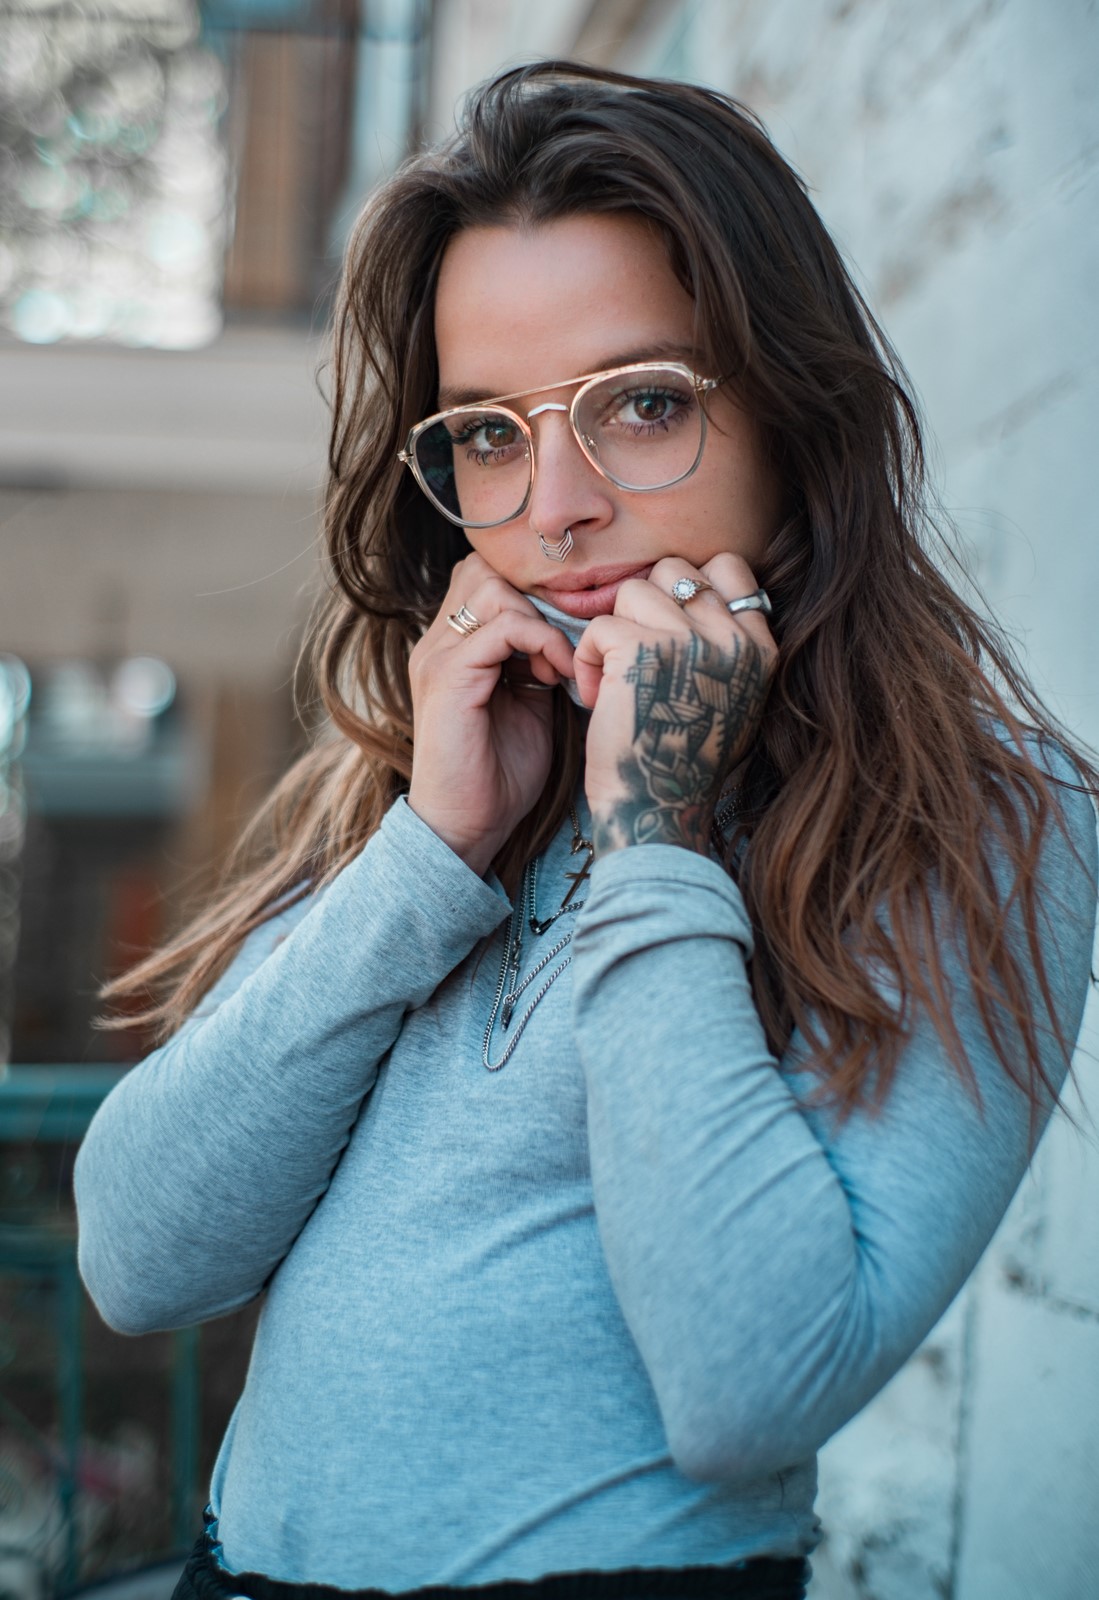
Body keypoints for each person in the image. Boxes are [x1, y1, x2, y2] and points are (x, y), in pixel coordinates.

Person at [75, 61, 1097, 1600]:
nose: (555, 506)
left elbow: (752, 1388)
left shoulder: (979, 819)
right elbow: (137, 1258)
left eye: (645, 404)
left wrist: (655, 836)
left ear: (793, 417)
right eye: (489, 433)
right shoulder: (423, 777)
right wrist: (429, 855)